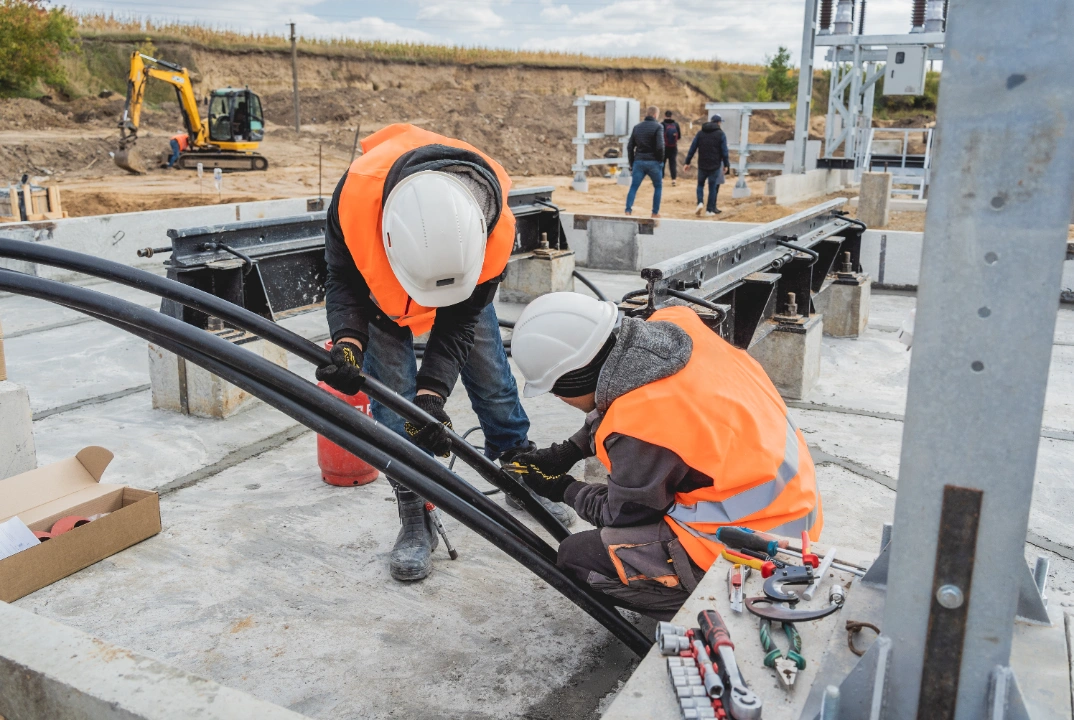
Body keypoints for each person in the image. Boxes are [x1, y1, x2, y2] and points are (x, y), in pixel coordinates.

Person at [315, 123, 575, 583]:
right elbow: (343, 281)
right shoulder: (355, 199)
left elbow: (457, 324)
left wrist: (432, 394)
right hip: (382, 304)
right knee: (392, 403)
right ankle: (415, 510)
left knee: (493, 381)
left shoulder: (495, 227)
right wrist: (349, 342)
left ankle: (517, 467)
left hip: (460, 292)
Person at [507, 293, 822, 619]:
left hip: (759, 549)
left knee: (578, 556)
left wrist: (563, 489)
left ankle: (712, 600)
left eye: (557, 390)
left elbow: (622, 515)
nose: (560, 397)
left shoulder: (642, 424)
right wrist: (568, 451)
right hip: (795, 511)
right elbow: (620, 397)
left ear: (574, 379)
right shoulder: (674, 335)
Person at [684, 114, 731, 216]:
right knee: (712, 187)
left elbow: (693, 148)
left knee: (700, 185)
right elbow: (724, 151)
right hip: (715, 165)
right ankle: (709, 210)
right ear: (719, 123)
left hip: (702, 164)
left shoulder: (701, 133)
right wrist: (726, 164)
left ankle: (700, 202)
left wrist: (687, 162)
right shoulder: (721, 134)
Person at [624, 105, 665, 218]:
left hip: (639, 161)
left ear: (647, 114)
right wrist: (660, 160)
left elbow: (630, 147)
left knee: (634, 187)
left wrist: (632, 163)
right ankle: (654, 212)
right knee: (658, 186)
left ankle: (628, 210)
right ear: (655, 115)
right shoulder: (658, 127)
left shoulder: (637, 127)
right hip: (653, 162)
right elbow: (660, 146)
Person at [661, 111, 682, 186]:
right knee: (673, 163)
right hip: (673, 147)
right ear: (671, 115)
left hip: (664, 147)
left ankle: (661, 179)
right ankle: (674, 180)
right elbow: (679, 136)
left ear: (664, 115)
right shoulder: (676, 124)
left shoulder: (662, 124)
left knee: (662, 163)